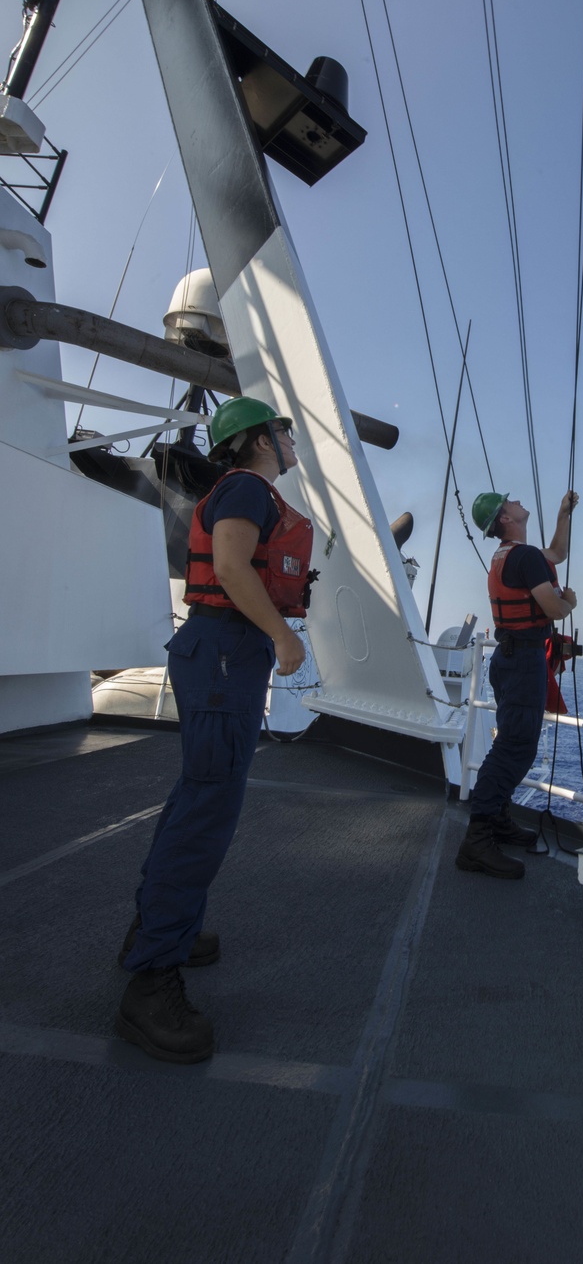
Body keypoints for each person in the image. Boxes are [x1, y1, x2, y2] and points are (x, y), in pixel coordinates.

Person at [115, 396, 312, 1064]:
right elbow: (231, 567)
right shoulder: (247, 490)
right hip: (228, 652)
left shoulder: (243, 489)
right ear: (257, 441)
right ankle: (151, 984)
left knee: (196, 795)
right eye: (282, 431)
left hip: (221, 652)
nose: (290, 439)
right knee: (207, 808)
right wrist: (283, 633)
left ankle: (157, 926)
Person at [458, 490, 579, 879]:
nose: (517, 501)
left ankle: (497, 821)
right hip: (523, 659)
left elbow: (556, 555)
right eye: (510, 502)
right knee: (516, 747)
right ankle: (477, 841)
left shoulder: (513, 555)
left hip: (509, 658)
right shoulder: (524, 558)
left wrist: (563, 514)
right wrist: (569, 603)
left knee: (513, 741)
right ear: (506, 518)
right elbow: (554, 608)